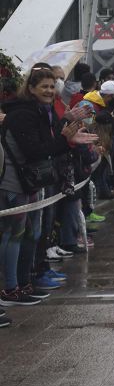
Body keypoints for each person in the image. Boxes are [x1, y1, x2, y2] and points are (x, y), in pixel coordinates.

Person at [1, 67, 97, 310]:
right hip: (15, 184)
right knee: (15, 236)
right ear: (31, 88)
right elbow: (37, 150)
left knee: (32, 234)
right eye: (44, 86)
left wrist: (65, 132)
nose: (49, 90)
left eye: (52, 86)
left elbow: (49, 145)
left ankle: (25, 283)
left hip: (33, 183)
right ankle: (10, 289)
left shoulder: (42, 112)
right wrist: (65, 140)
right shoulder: (23, 114)